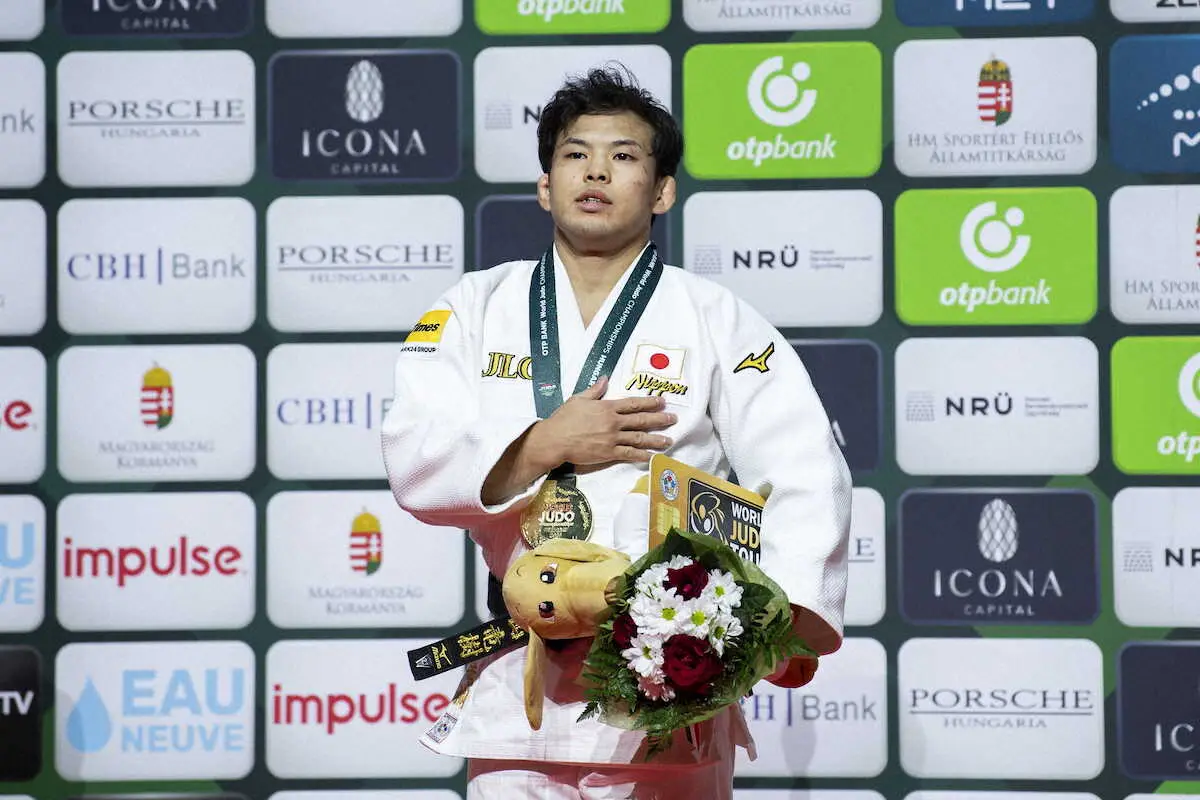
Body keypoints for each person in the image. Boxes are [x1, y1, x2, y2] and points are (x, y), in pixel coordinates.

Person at [380, 64, 852, 800]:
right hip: (522, 684)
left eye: (624, 156)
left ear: (661, 191)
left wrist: (778, 622)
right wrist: (550, 441)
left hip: (671, 684)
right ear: (545, 184)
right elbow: (414, 454)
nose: (596, 170)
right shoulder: (475, 307)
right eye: (575, 154)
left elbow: (803, 467)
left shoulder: (716, 318)